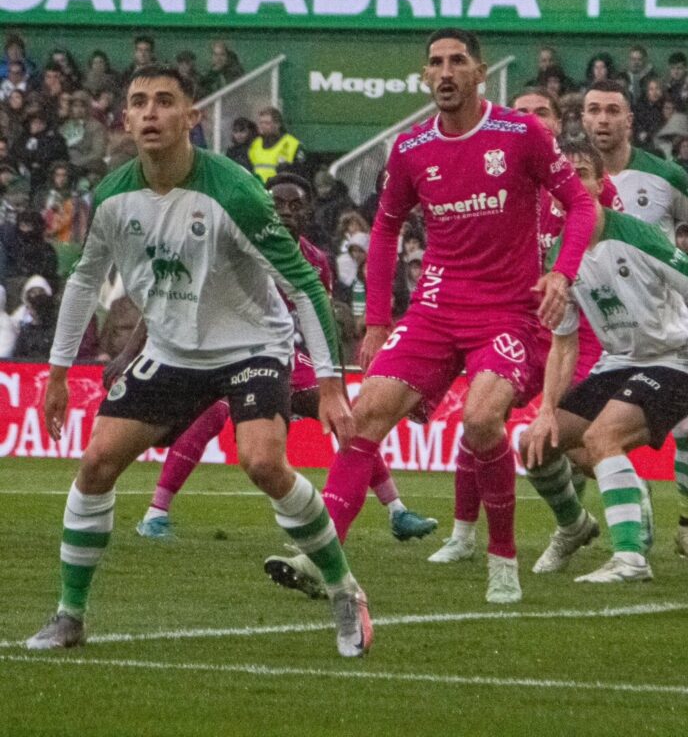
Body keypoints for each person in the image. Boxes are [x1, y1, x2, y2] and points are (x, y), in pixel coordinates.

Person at [26, 65, 371, 659]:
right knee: (96, 464)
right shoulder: (112, 197)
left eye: (166, 101)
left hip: (251, 345)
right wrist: (57, 373)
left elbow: (308, 288)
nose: (152, 112)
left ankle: (345, 591)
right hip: (171, 350)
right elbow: (85, 280)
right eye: (140, 103)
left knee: (263, 463)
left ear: (191, 118)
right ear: (126, 120)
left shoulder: (234, 192)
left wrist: (333, 386)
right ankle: (69, 614)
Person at [267, 29, 596, 605]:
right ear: (425, 76)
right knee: (365, 414)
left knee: (481, 421)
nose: (445, 72)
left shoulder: (520, 134)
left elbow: (583, 203)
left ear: (479, 72)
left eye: (457, 62)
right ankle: (325, 559)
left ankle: (502, 557)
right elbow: (388, 227)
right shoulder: (412, 147)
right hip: (434, 310)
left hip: (505, 313)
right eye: (435, 64)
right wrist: (375, 321)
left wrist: (562, 273)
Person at [128, 171, 435, 547]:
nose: (287, 212)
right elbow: (172, 294)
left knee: (345, 419)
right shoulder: (230, 246)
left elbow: (318, 321)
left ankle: (397, 511)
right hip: (225, 352)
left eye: (296, 205)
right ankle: (155, 514)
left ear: (308, 213)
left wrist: (332, 383)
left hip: (283, 354)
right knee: (210, 415)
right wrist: (134, 351)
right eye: (278, 205)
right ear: (263, 208)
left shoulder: (315, 260)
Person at [519, 139, 688, 583]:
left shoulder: (638, 234)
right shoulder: (559, 257)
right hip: (619, 361)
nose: (573, 185)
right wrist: (546, 410)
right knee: (534, 446)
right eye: (563, 178)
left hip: (675, 361)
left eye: (583, 175)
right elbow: (564, 346)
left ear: (601, 184)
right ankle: (573, 527)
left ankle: (630, 559)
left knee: (604, 436)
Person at [427, 86, 622, 566]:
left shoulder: (583, 182)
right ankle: (465, 534)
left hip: (578, 333)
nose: (533, 119)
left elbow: (617, 246)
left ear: (557, 122)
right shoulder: (497, 175)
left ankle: (615, 515)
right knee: (480, 421)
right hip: (514, 324)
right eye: (522, 112)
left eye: (542, 113)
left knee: (574, 441)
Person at [582, 80, 688, 561]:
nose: (602, 120)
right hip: (603, 322)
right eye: (593, 110)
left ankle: (686, 529)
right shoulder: (569, 178)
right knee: (572, 435)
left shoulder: (663, 175)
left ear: (629, 119)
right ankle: (603, 514)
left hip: (665, 324)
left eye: (612, 110)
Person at [247, 107, 305, 185]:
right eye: (261, 123)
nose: (263, 126)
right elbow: (249, 168)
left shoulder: (292, 144)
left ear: (278, 124)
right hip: (258, 189)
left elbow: (302, 172)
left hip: (280, 189)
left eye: (267, 123)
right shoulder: (255, 144)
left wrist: (287, 168)